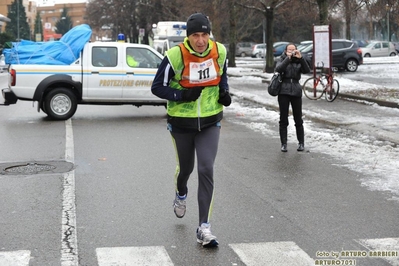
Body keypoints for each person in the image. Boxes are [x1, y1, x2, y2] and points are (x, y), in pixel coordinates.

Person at [151, 12, 231, 247]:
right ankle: (181, 193)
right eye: (196, 35)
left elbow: (221, 75)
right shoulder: (174, 56)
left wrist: (225, 93)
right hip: (181, 122)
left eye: (204, 34)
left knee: (206, 169)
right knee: (186, 169)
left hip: (210, 120)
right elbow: (157, 87)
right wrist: (182, 95)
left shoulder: (221, 51)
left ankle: (204, 227)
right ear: (188, 36)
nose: (200, 40)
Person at [274, 43, 311, 152]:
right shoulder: (282, 59)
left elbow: (306, 70)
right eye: (289, 50)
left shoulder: (299, 60)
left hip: (296, 91)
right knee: (283, 118)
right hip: (283, 91)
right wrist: (288, 59)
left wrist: (301, 58)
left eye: (293, 50)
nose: (291, 52)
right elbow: (279, 69)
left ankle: (301, 143)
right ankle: (284, 144)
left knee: (298, 118)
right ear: (285, 51)